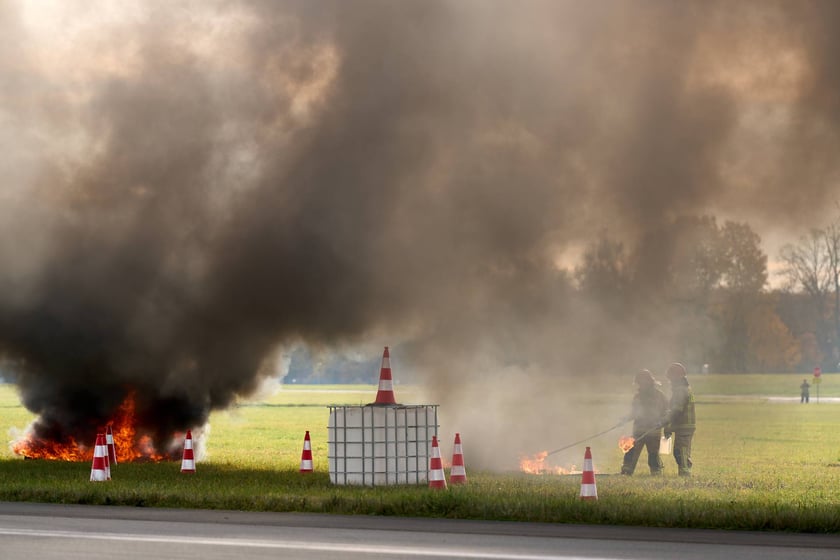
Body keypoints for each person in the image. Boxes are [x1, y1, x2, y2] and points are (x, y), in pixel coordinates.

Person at [621, 369, 669, 476]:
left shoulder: (659, 396)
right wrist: (625, 419)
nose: (641, 385)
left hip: (653, 431)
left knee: (653, 454)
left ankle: (656, 473)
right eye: (639, 383)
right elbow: (634, 412)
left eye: (643, 382)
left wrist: (663, 422)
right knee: (631, 453)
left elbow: (667, 411)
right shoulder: (637, 397)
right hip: (638, 430)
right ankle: (626, 472)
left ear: (649, 381)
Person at [663, 362, 696, 477]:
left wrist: (665, 421)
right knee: (680, 451)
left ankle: (685, 475)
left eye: (671, 377)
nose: (670, 381)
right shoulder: (683, 388)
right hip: (684, 426)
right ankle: (684, 473)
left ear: (677, 376)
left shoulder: (680, 391)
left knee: (681, 452)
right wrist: (668, 426)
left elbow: (676, 410)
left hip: (684, 426)